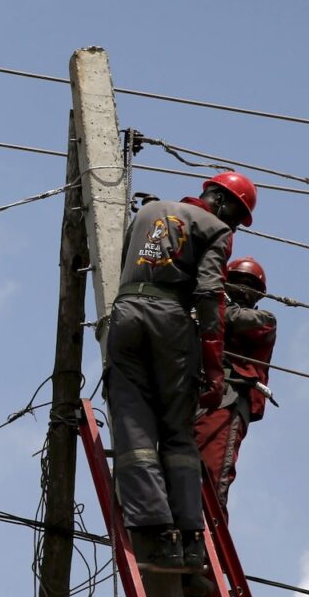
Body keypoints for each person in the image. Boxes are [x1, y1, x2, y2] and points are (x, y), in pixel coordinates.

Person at [105, 171, 258, 568]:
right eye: (237, 219)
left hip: (124, 315)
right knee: (177, 429)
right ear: (223, 203)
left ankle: (151, 530)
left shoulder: (146, 212)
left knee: (132, 421)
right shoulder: (215, 229)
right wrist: (213, 364)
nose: (235, 228)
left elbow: (126, 264)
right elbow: (209, 293)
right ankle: (186, 537)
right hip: (170, 320)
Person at [195, 256, 277, 509]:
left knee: (213, 471)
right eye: (237, 282)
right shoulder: (206, 316)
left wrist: (211, 305)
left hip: (228, 401)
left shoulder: (264, 320)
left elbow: (236, 320)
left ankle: (209, 539)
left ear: (258, 295)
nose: (242, 289)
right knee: (179, 467)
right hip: (196, 397)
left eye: (248, 285)